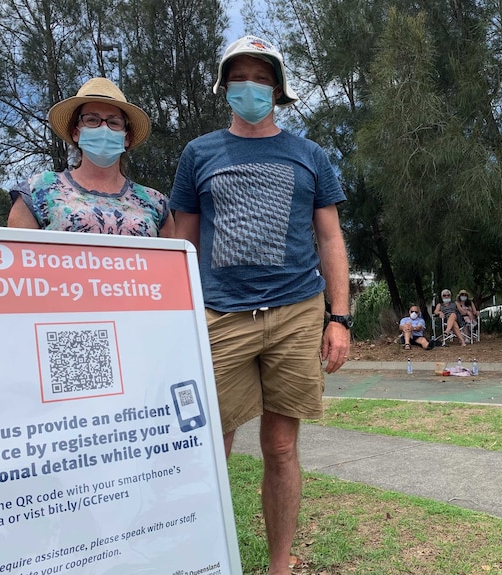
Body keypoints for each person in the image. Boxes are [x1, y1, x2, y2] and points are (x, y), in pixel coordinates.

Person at [168, 35, 351, 575]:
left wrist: (338, 319)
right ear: (226, 89)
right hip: (219, 314)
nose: (251, 87)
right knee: (209, 448)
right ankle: (200, 558)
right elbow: (184, 240)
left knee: (280, 447)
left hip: (296, 311)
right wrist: (180, 318)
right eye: (240, 78)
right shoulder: (200, 153)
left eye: (262, 78)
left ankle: (279, 564)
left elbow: (331, 240)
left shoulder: (309, 154)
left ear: (278, 89)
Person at [7, 77, 174, 237]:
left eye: (113, 122)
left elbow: (173, 263)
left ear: (127, 138)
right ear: (75, 132)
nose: (103, 128)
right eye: (92, 120)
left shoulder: (156, 203)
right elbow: (16, 259)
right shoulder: (37, 192)